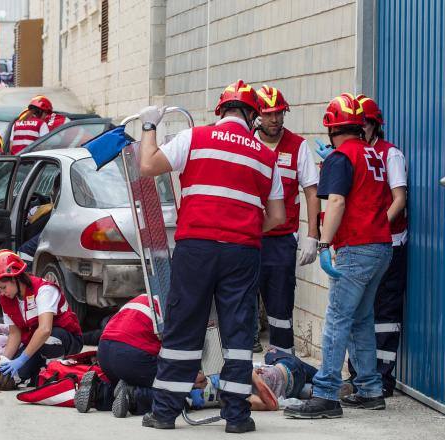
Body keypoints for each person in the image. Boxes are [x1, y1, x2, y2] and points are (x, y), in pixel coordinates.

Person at [137, 79, 286, 433]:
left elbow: (147, 165)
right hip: (242, 251)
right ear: (253, 117)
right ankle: (237, 417)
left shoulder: (195, 138)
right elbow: (278, 216)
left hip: (196, 248)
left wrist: (148, 126)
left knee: (184, 326)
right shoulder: (266, 156)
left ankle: (164, 413)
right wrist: (245, 227)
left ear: (220, 112)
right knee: (237, 332)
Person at [284, 93, 393, 419]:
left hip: (356, 249)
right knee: (361, 320)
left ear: (331, 127)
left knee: (336, 320)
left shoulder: (341, 157)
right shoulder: (371, 153)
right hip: (380, 247)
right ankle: (371, 389)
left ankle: (326, 395)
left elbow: (337, 203)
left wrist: (323, 244)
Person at [343, 95, 408, 398]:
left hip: (388, 244)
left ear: (374, 125)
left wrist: (377, 226)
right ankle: (359, 374)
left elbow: (399, 200)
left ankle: (383, 379)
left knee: (384, 313)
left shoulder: (389, 154)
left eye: (363, 124)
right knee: (358, 311)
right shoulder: (355, 154)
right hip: (362, 244)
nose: (359, 129)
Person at [253, 85, 321, 354]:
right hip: (248, 236)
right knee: (240, 302)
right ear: (257, 114)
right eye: (269, 114)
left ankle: (284, 362)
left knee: (280, 304)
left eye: (279, 113)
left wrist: (313, 236)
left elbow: (311, 192)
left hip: (281, 239)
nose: (275, 119)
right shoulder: (248, 142)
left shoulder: (298, 146)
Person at [0, 250, 83, 383]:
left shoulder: (44, 290)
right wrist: (5, 360)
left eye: (3, 287)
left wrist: (22, 359)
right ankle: (40, 370)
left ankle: (55, 373)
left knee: (50, 339)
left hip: (63, 339)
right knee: (15, 375)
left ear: (15, 278)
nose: (2, 293)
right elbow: (14, 334)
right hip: (36, 342)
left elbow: (44, 330)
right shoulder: (6, 299)